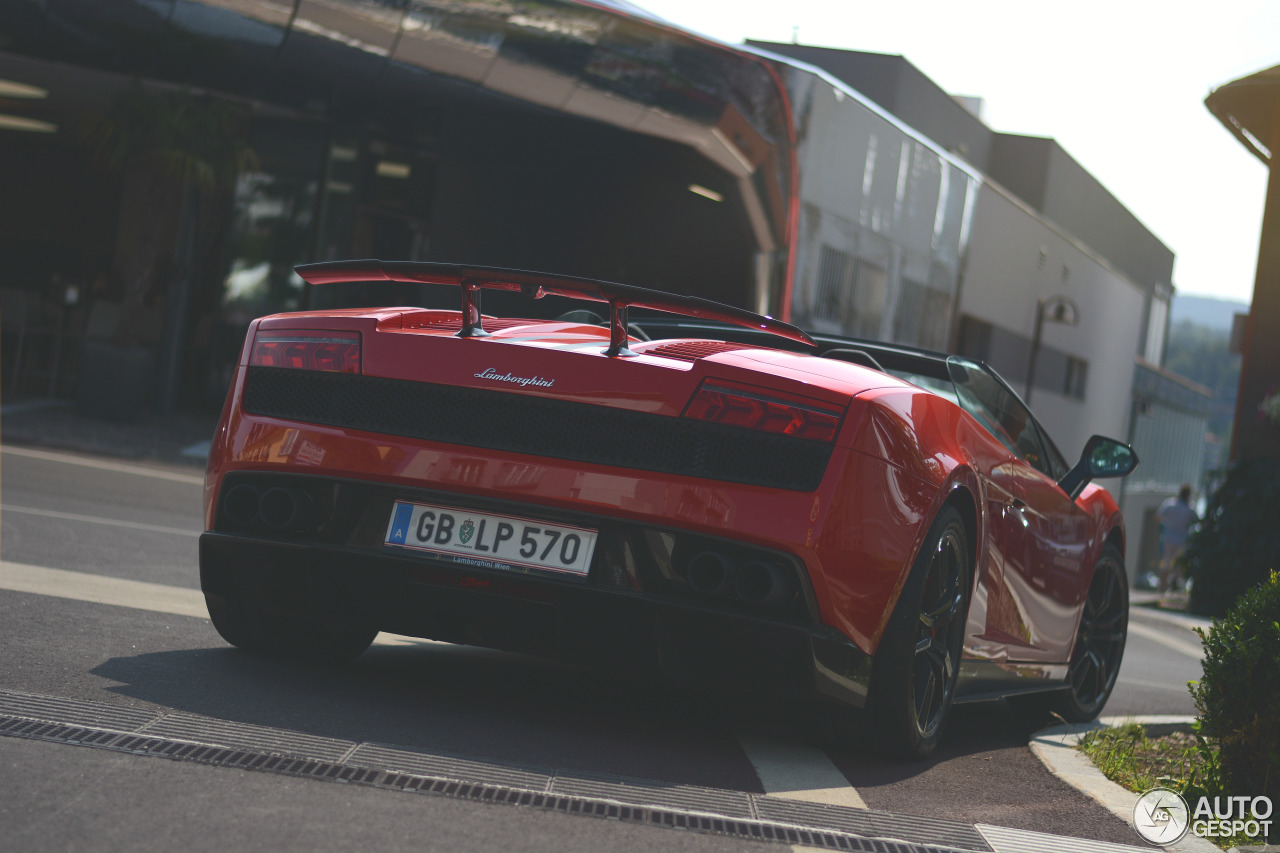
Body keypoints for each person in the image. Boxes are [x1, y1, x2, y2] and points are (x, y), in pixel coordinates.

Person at [1157, 484, 1198, 593]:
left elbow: (1159, 516)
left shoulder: (1170, 503)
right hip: (1182, 539)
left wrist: (1164, 525)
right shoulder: (1190, 508)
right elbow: (1197, 520)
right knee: (1178, 563)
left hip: (1168, 537)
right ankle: (1173, 584)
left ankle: (1162, 585)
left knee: (1166, 561)